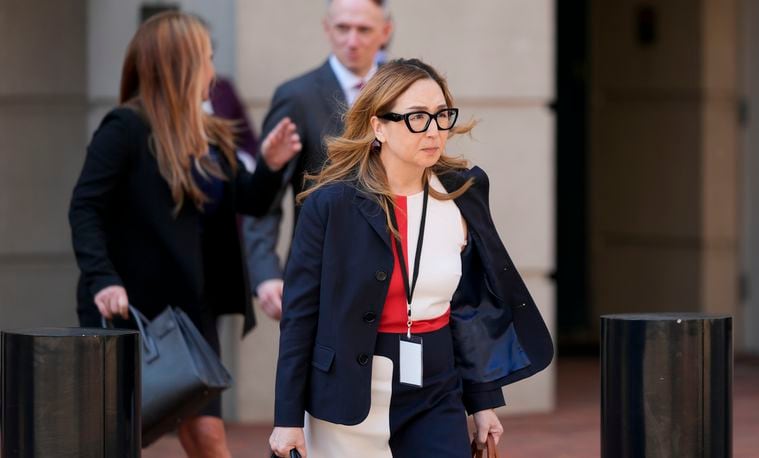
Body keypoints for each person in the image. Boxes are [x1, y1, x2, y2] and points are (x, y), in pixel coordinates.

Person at [267, 58, 554, 458]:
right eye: (417, 118)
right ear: (378, 126)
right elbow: (300, 317)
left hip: (437, 386)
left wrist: (483, 401)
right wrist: (287, 419)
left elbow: (469, 303)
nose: (434, 130)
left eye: (441, 116)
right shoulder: (330, 206)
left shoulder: (463, 193)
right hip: (349, 389)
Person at [68, 12, 301, 457]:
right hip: (129, 308)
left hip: (192, 311)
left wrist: (270, 166)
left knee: (207, 434)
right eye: (206, 59)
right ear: (180, 65)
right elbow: (85, 208)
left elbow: (247, 201)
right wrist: (102, 278)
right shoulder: (125, 130)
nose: (213, 71)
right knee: (118, 438)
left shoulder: (210, 133)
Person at [243, 0, 393, 320]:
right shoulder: (296, 96)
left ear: (385, 31)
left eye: (364, 29)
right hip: (322, 275)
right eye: (342, 28)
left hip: (397, 272)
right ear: (327, 28)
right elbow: (264, 195)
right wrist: (266, 271)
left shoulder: (404, 95)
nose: (352, 41)